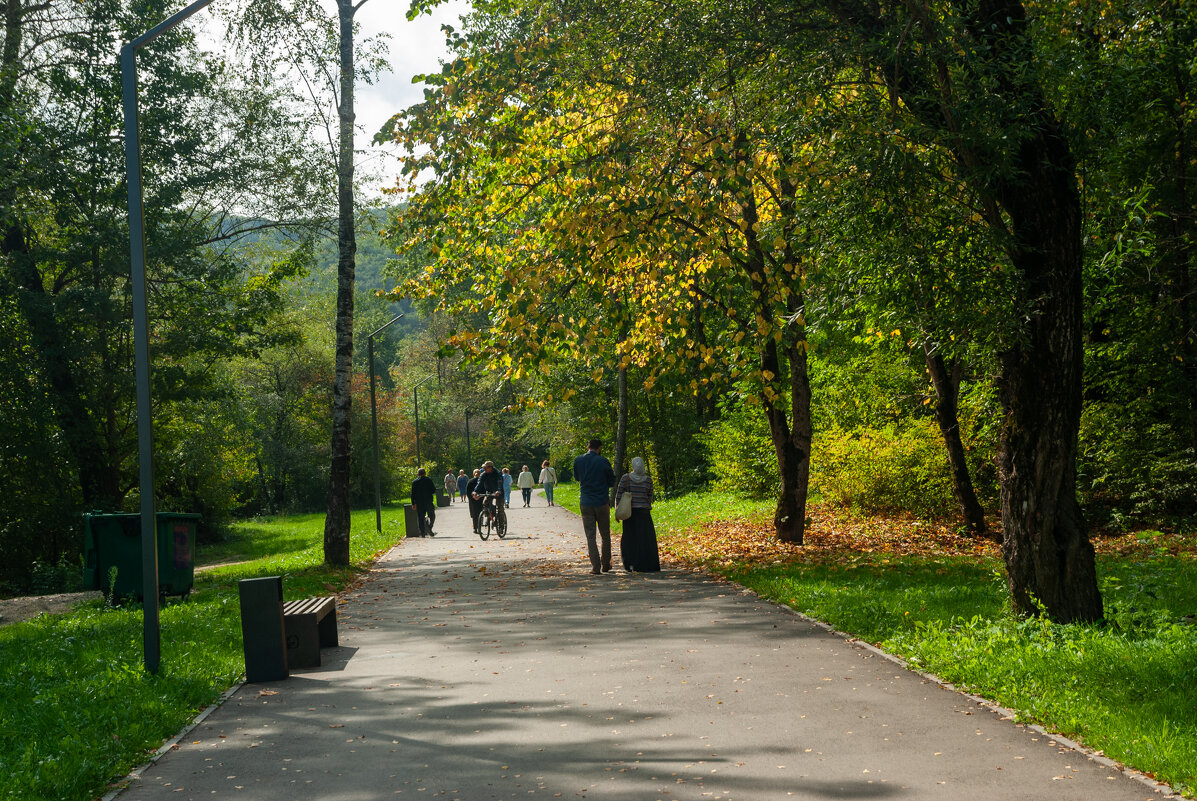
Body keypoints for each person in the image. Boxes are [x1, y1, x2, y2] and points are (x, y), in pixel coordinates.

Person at [573, 438, 615, 574]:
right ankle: (606, 564)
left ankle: (595, 567)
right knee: (605, 534)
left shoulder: (578, 460)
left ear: (588, 447)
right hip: (602, 501)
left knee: (590, 536)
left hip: (586, 502)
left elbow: (577, 478)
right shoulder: (603, 461)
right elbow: (612, 481)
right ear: (599, 448)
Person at [615, 457, 660, 572]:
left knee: (629, 539)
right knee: (645, 540)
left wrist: (617, 511)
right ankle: (645, 565)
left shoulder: (626, 478)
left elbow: (619, 495)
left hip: (630, 513)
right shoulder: (648, 480)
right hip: (644, 514)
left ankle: (629, 563)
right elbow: (650, 497)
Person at [473, 461, 505, 529]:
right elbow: (479, 483)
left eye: (485, 467)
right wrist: (475, 491)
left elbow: (499, 482)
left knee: (500, 509)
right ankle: (490, 515)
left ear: (490, 467)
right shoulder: (483, 474)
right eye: (484, 467)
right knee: (485, 503)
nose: (484, 469)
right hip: (489, 492)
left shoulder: (497, 473)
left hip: (498, 492)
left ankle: (501, 525)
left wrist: (498, 490)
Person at [410, 468, 438, 537]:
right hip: (428, 501)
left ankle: (422, 533)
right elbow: (433, 490)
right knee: (432, 515)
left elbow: (412, 494)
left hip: (419, 503)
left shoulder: (414, 482)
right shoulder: (428, 480)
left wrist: (413, 503)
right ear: (425, 473)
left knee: (420, 517)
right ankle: (429, 527)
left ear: (418, 474)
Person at [465, 468, 483, 533]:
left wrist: (472, 497)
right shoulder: (481, 481)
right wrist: (480, 497)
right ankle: (479, 527)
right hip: (480, 499)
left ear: (473, 474)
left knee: (474, 515)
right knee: (480, 514)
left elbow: (467, 491)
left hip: (472, 500)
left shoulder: (470, 481)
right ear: (480, 474)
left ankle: (475, 528)